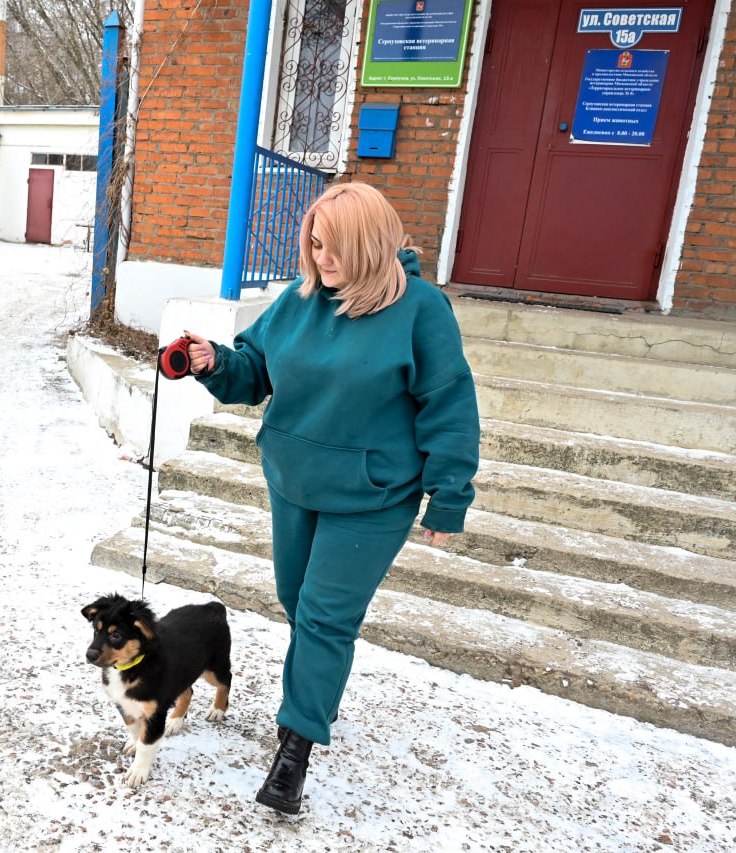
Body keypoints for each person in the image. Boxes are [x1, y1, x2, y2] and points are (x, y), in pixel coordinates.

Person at [181, 182, 480, 815]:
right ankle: (319, 691)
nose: (322, 259)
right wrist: (215, 363)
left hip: (372, 497)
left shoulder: (422, 310)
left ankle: (294, 749)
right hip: (294, 480)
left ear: (371, 244)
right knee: (298, 602)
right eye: (315, 244)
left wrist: (448, 496)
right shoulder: (299, 300)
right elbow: (254, 371)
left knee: (322, 616)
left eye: (336, 247)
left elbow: (449, 404)